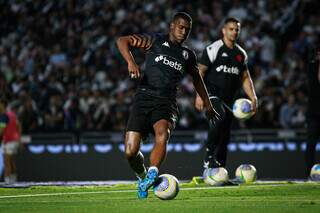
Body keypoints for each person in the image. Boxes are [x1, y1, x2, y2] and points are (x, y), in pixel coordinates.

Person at [116, 12, 220, 199]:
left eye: (187, 30)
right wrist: (131, 62)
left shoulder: (188, 55)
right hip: (144, 98)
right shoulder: (153, 41)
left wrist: (208, 104)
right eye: (181, 27)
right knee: (131, 152)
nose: (184, 32)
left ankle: (153, 172)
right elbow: (122, 40)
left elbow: (197, 80)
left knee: (163, 132)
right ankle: (142, 176)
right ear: (172, 25)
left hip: (166, 102)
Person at [195, 17, 258, 169]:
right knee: (219, 116)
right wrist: (199, 95)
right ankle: (208, 156)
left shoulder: (241, 54)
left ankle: (220, 169)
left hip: (230, 99)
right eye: (231, 29)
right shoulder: (213, 48)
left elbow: (245, 77)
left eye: (237, 29)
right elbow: (200, 72)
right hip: (212, 94)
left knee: (225, 135)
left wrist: (253, 96)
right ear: (223, 30)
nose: (234, 32)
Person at [305, 44, 320, 178]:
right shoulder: (312, 66)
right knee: (311, 145)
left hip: (314, 112)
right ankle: (308, 175)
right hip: (314, 113)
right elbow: (315, 84)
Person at [0, 97, 21, 184]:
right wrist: (18, 138)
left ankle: (7, 181)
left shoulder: (3, 115)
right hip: (14, 140)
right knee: (11, 161)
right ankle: (13, 180)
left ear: (3, 105)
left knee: (6, 161)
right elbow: (19, 125)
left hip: (9, 141)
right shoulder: (12, 114)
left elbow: (1, 131)